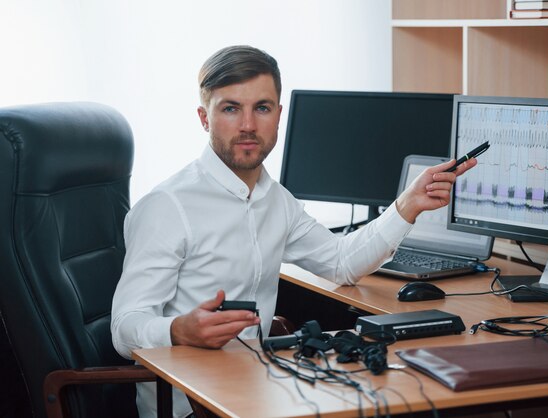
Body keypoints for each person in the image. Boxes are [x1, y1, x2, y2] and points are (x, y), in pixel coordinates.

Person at [111, 45, 476, 418]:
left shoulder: (276, 200)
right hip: (189, 406)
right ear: (204, 118)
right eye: (231, 108)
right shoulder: (166, 206)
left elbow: (341, 262)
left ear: (279, 115)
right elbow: (125, 326)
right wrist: (178, 330)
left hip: (256, 387)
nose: (249, 125)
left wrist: (407, 204)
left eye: (262, 108)